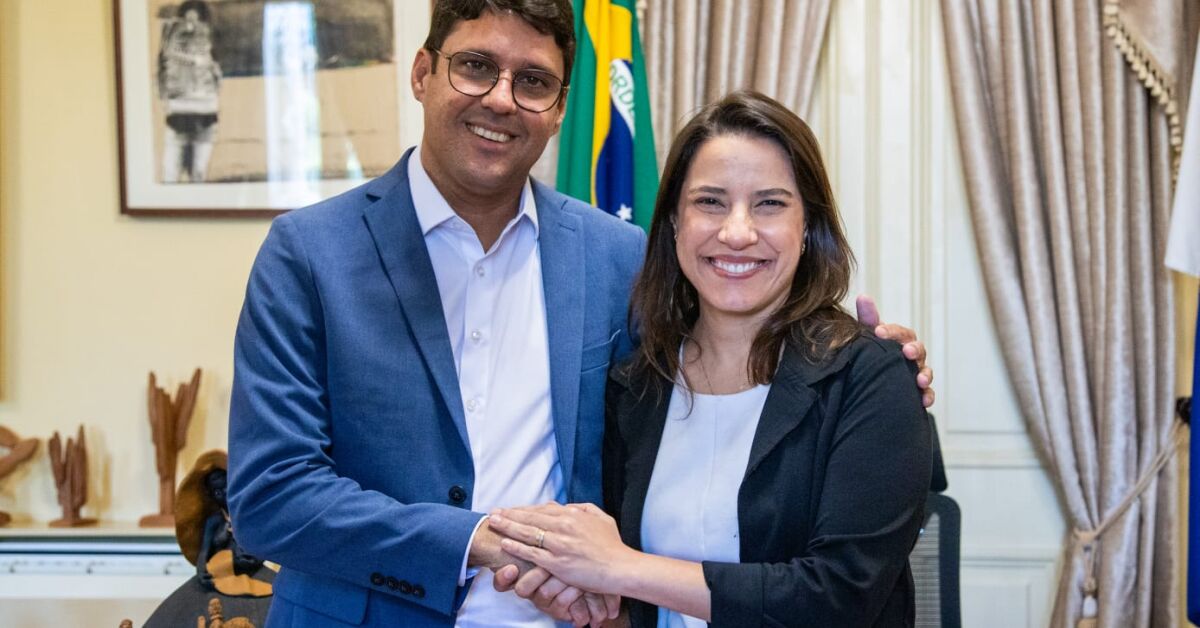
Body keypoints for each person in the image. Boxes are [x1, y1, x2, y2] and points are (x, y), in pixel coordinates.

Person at [227, 2, 933, 626]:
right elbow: (270, 496)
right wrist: (476, 541)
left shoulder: (617, 257)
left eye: (533, 81)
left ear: (562, 106)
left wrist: (874, 361)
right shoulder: (309, 254)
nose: (501, 99)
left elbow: (733, 377)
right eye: (475, 67)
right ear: (422, 73)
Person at [489, 91, 932, 627]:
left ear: (807, 227)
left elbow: (839, 597)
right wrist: (589, 601)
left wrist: (621, 568)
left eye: (770, 204)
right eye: (710, 202)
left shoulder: (869, 376)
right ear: (675, 222)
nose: (737, 232)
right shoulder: (636, 385)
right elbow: (647, 610)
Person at [158, 0, 221, 183]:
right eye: (186, 20)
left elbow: (214, 74)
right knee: (170, 173)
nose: (191, 26)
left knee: (198, 172)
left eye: (195, 20)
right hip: (178, 115)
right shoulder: (172, 42)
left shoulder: (208, 46)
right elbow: (166, 63)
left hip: (205, 115)